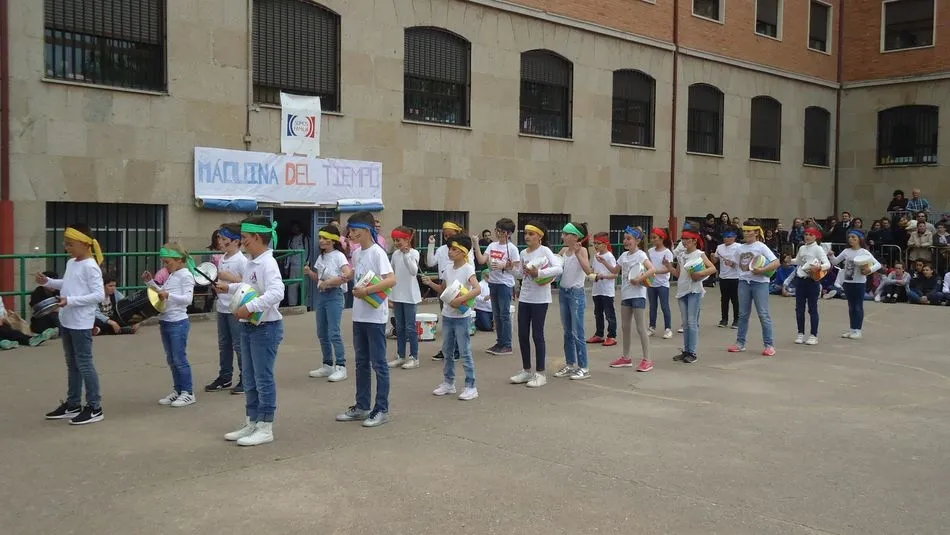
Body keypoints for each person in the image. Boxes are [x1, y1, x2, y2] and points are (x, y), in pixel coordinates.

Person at [220, 216, 286, 446]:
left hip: (266, 328)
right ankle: (252, 421)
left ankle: (266, 426)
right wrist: (229, 287)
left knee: (263, 378)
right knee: (249, 377)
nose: (242, 242)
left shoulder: (268, 263)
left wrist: (249, 307)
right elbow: (249, 287)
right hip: (249, 327)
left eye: (245, 238)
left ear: (257, 237)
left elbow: (277, 292)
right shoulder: (251, 262)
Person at [40, 223, 106, 425]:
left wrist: (70, 301)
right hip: (67, 320)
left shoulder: (91, 266)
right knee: (73, 365)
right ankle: (73, 404)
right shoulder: (72, 263)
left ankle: (95, 407)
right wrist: (48, 282)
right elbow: (67, 284)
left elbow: (98, 295)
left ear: (84, 244)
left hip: (81, 322)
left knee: (84, 364)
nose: (66, 247)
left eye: (69, 244)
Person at [335, 211, 397, 428]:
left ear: (367, 230)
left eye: (354, 231)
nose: (351, 235)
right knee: (361, 362)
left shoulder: (377, 253)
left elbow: (391, 280)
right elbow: (356, 274)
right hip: (360, 314)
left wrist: (367, 290)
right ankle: (362, 406)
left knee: (378, 363)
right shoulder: (358, 253)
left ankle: (382, 408)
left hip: (375, 316)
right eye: (349, 231)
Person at [427, 235, 480, 401]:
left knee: (465, 352)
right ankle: (448, 383)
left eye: (454, 249)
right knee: (447, 351)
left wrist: (462, 299)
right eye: (450, 248)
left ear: (464, 252)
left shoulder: (468, 269)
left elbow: (477, 289)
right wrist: (429, 283)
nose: (450, 252)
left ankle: (471, 386)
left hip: (462, 317)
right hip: (447, 315)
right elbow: (442, 290)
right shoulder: (447, 269)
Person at [144, 243, 198, 408]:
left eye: (168, 262)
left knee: (179, 358)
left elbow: (188, 299)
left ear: (179, 260)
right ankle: (178, 389)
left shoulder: (185, 275)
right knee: (171, 359)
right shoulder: (173, 275)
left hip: (178, 322)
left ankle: (188, 392)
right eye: (164, 262)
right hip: (166, 321)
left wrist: (168, 295)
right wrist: (150, 283)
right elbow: (162, 293)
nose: (165, 266)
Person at [510, 222, 562, 388]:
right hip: (525, 297)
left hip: (540, 299)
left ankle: (540, 373)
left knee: (537, 335)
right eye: (526, 233)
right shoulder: (523, 252)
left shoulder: (545, 251)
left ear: (540, 236)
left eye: (531, 234)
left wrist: (538, 273)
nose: (527, 236)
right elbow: (520, 274)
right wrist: (510, 267)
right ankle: (526, 370)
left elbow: (558, 269)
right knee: (522, 335)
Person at [205, 223, 248, 394]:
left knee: (239, 344)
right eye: (219, 239)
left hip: (236, 307)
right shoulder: (222, 258)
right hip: (222, 306)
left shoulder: (242, 261)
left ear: (236, 241)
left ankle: (246, 377)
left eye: (224, 239)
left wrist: (228, 278)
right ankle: (225, 376)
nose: (220, 242)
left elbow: (247, 284)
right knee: (224, 344)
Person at [305, 224, 352, 382]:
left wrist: (330, 282)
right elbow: (318, 279)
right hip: (322, 296)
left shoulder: (339, 256)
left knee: (334, 332)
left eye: (325, 238)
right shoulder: (321, 257)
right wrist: (310, 273)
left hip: (335, 295)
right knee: (322, 332)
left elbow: (347, 274)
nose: (321, 241)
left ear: (333, 240)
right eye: (320, 238)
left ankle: (341, 366)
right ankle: (327, 365)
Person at [607, 226, 658, 371]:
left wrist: (639, 279)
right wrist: (603, 262)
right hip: (626, 295)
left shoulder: (641, 255)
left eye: (629, 238)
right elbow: (614, 271)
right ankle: (626, 357)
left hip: (638, 295)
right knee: (625, 327)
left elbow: (652, 269)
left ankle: (647, 359)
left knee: (641, 328)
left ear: (637, 240)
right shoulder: (623, 256)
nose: (625, 241)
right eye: (624, 238)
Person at [728, 220, 780, 356]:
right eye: (744, 231)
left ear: (756, 232)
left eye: (749, 231)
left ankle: (769, 345)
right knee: (743, 314)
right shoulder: (740, 248)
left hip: (760, 283)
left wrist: (762, 270)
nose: (746, 233)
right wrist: (730, 263)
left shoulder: (761, 247)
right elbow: (737, 264)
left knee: (763, 314)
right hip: (744, 282)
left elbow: (776, 262)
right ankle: (740, 343)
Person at [425, 221, 473, 360]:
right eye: (445, 234)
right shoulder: (441, 249)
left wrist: (464, 288)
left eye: (450, 234)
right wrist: (431, 244)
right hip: (445, 283)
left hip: (460, 286)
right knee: (447, 316)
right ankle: (448, 349)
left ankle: (458, 350)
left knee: (459, 318)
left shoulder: (464, 249)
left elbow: (469, 264)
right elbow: (430, 262)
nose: (447, 237)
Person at [472, 218, 519, 356]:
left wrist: (503, 265)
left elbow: (517, 266)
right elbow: (481, 260)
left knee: (504, 314)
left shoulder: (511, 248)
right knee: (497, 314)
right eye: (497, 230)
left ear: (509, 233)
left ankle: (507, 344)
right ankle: (500, 342)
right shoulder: (492, 246)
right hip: (493, 282)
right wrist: (476, 244)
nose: (498, 234)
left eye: (501, 231)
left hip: (505, 284)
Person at [553, 222, 593, 381]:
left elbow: (588, 271)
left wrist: (577, 253)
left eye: (565, 233)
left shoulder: (582, 250)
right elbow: (556, 267)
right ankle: (570, 364)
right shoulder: (563, 251)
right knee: (567, 331)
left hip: (576, 294)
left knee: (578, 332)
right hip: (563, 292)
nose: (562, 236)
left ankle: (583, 367)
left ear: (575, 236)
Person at [670, 226, 716, 364]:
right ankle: (686, 350)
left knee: (691, 322)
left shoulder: (699, 254)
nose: (684, 242)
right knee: (685, 323)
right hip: (682, 290)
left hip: (694, 290)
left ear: (695, 240)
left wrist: (700, 274)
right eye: (683, 239)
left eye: (687, 239)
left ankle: (692, 352)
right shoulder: (682, 255)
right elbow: (678, 274)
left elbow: (712, 268)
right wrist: (668, 266)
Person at [829, 229, 881, 340]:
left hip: (859, 283)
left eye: (854, 237)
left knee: (858, 306)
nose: (851, 239)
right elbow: (835, 262)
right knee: (851, 307)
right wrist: (831, 256)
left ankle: (858, 330)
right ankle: (852, 329)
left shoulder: (864, 252)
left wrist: (869, 270)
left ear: (859, 239)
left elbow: (878, 264)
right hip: (848, 282)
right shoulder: (846, 251)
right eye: (850, 237)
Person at [387, 226, 423, 370]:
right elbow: (391, 272)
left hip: (410, 295)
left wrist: (407, 254)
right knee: (399, 327)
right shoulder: (395, 254)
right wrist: (389, 294)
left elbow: (413, 271)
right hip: (397, 294)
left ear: (407, 240)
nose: (397, 243)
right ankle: (401, 355)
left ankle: (414, 357)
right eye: (395, 240)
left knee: (410, 327)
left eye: (399, 240)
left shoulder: (414, 253)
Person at [790, 227, 830, 345]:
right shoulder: (802, 247)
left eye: (810, 235)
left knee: (812, 308)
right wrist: (789, 261)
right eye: (806, 234)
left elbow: (827, 263)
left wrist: (819, 268)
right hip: (800, 279)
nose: (807, 236)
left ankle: (813, 335)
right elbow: (798, 261)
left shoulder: (818, 249)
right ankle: (800, 333)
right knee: (799, 308)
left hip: (812, 280)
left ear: (815, 237)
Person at [588, 232, 618, 346]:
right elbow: (593, 270)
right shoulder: (596, 256)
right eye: (594, 243)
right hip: (597, 289)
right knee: (598, 313)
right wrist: (593, 275)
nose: (596, 246)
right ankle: (599, 334)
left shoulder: (609, 257)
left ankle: (612, 335)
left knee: (609, 314)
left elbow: (615, 274)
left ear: (605, 243)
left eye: (598, 243)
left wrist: (602, 276)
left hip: (607, 291)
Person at [647, 228, 675, 338]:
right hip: (651, 283)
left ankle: (668, 329)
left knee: (664, 306)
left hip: (663, 284)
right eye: (651, 238)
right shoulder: (650, 251)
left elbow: (668, 269)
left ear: (662, 238)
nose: (652, 240)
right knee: (652, 306)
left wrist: (654, 271)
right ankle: (652, 327)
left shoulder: (667, 252)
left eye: (655, 237)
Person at [713, 228, 740, 328]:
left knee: (735, 299)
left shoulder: (739, 247)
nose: (726, 239)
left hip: (735, 276)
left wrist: (733, 264)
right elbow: (715, 260)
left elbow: (743, 262)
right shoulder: (720, 247)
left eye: (728, 237)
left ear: (734, 237)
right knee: (724, 299)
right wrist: (713, 257)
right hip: (723, 276)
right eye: (724, 237)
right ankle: (724, 319)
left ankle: (737, 320)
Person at [284, 221, 312, 307]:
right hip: (293, 266)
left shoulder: (305, 238)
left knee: (304, 287)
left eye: (295, 227)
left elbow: (309, 251)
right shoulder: (291, 239)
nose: (294, 229)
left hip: (303, 266)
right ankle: (292, 305)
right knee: (292, 286)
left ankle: (305, 305)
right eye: (293, 227)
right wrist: (286, 266)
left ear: (299, 227)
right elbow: (288, 253)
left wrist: (307, 264)